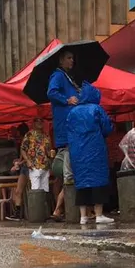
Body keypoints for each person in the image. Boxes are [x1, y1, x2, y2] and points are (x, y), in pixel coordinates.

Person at [66, 84, 115, 225]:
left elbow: (68, 132)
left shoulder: (72, 112)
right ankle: (99, 215)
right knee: (98, 180)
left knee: (81, 182)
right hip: (95, 150)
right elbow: (106, 128)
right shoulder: (96, 109)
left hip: (77, 152)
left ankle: (83, 217)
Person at [48, 50, 80, 196]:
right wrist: (67, 100)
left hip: (70, 126)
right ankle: (62, 208)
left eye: (72, 57)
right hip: (66, 128)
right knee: (68, 172)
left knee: (69, 171)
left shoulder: (67, 77)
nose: (72, 60)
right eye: (69, 58)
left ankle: (60, 209)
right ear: (61, 61)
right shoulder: (58, 75)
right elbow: (51, 92)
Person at [21, 116, 54, 196]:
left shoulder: (46, 135)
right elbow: (22, 149)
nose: (39, 122)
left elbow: (49, 150)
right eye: (37, 120)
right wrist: (27, 161)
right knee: (36, 190)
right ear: (34, 123)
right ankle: (36, 208)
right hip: (34, 165)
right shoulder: (29, 134)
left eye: (41, 120)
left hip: (45, 166)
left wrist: (52, 154)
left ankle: (43, 208)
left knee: (45, 190)